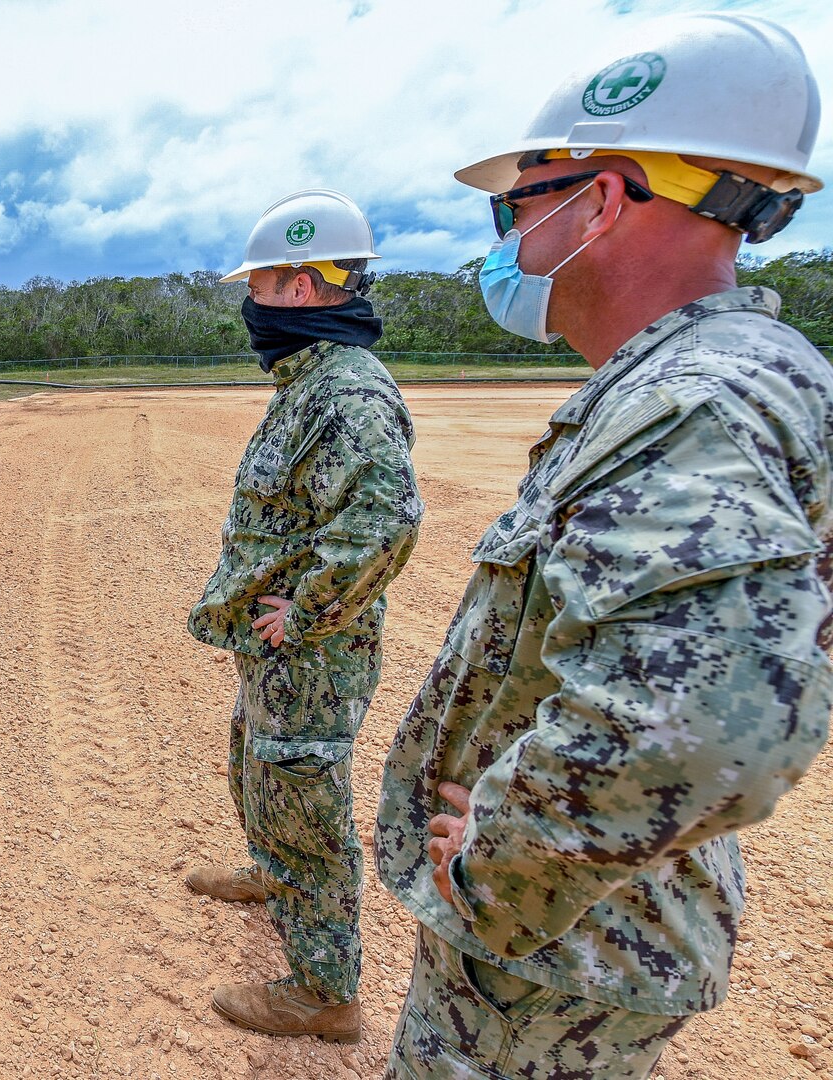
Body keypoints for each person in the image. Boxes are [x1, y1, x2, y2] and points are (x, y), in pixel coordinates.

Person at [376, 14, 833, 1078]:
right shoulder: (749, 376)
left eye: (516, 205)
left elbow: (707, 726)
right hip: (591, 931)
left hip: (551, 961)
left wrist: (501, 866)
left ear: (601, 199)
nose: (505, 241)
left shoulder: (693, 405)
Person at [184, 189, 422, 1043]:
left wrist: (309, 609)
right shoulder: (310, 379)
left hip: (309, 656)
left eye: (262, 284)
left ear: (304, 284)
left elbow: (388, 518)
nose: (252, 301)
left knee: (304, 802)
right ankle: (268, 869)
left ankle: (325, 994)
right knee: (257, 762)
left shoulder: (347, 391)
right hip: (277, 653)